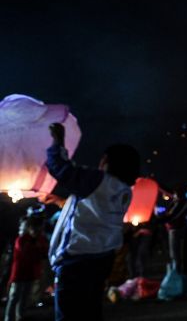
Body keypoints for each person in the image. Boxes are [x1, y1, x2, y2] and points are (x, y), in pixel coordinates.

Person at [45, 122, 140, 321]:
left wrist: (58, 141)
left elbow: (61, 169)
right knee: (90, 312)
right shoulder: (122, 190)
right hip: (100, 259)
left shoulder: (99, 180)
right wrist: (61, 201)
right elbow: (92, 210)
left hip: (76, 262)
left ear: (107, 161)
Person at [4, 214, 48, 321]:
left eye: (38, 228)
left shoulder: (39, 239)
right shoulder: (22, 239)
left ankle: (20, 317)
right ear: (29, 228)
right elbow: (30, 253)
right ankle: (8, 318)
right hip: (19, 273)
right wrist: (38, 248)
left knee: (24, 297)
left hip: (31, 272)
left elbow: (44, 252)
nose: (37, 230)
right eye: (34, 228)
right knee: (14, 297)